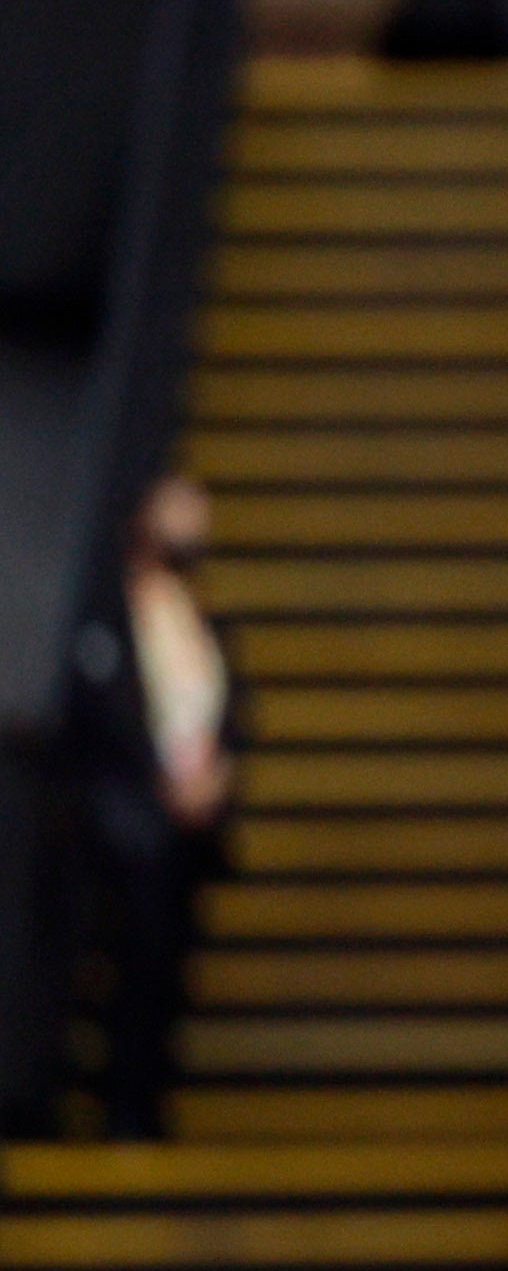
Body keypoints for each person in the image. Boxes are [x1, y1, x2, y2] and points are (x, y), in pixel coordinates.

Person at [49, 471, 233, 1138]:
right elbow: (96, 716)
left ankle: (143, 1103)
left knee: (162, 974)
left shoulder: (204, 624)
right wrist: (155, 779)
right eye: (179, 510)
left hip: (184, 834)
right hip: (122, 830)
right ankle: (107, 1108)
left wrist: (215, 778)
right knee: (115, 967)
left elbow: (228, 715)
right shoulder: (108, 615)